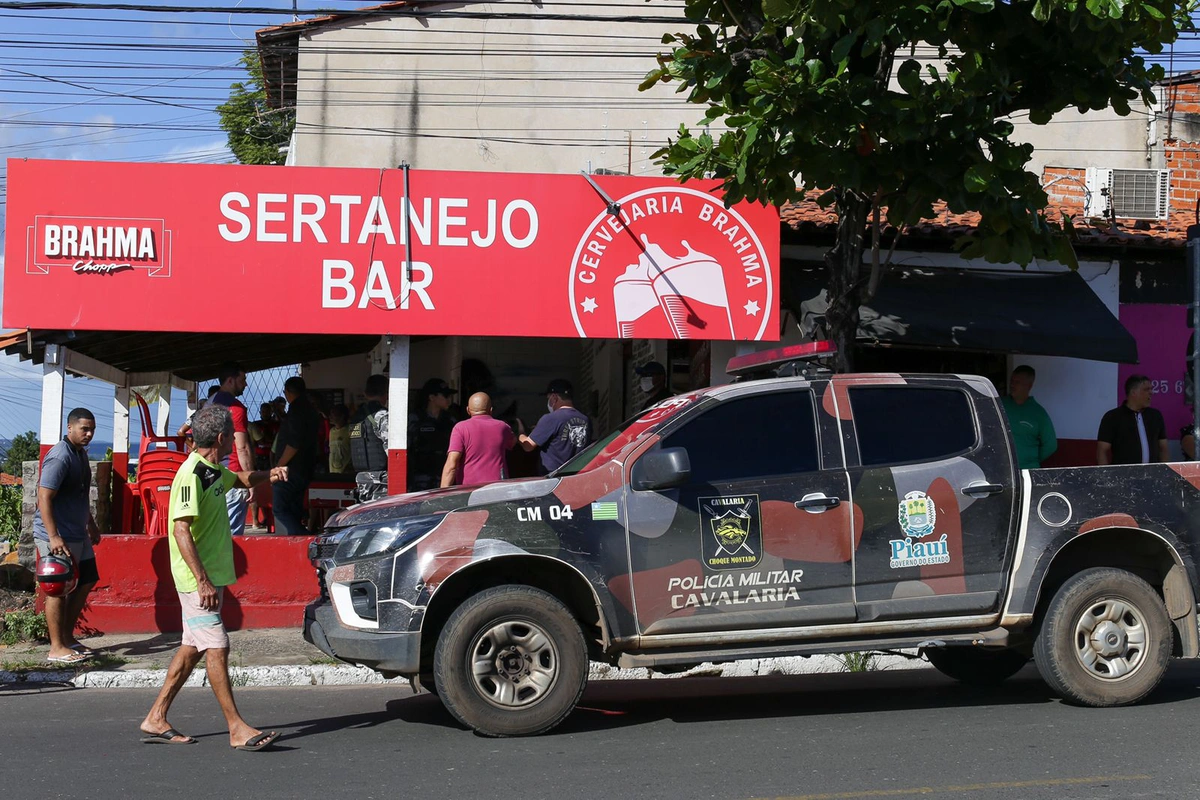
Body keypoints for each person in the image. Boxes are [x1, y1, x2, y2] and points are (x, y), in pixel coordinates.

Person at [139, 404, 286, 749]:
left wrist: (271, 474)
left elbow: (242, 479)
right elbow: (180, 531)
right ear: (221, 438)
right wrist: (202, 580)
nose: (234, 443)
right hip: (195, 580)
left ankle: (155, 717)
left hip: (207, 577)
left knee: (192, 649)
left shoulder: (211, 470)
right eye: (232, 438)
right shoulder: (191, 474)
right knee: (217, 646)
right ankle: (236, 728)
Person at [34, 408, 101, 664]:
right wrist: (53, 536)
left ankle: (67, 637)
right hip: (57, 534)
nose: (89, 434)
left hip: (78, 532)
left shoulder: (80, 454)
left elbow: (81, 494)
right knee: (57, 588)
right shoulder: (60, 457)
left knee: (87, 579)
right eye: (84, 429)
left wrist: (91, 524)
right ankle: (56, 647)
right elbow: (44, 497)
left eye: (92, 429)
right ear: (70, 427)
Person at [210, 362, 254, 536]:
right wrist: (250, 481)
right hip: (234, 475)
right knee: (232, 537)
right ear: (230, 380)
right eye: (242, 379)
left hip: (212, 474)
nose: (245, 384)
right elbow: (242, 447)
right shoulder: (236, 409)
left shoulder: (209, 404)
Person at [273, 376, 321, 535]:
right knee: (293, 510)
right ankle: (295, 543)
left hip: (291, 470)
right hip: (305, 467)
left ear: (287, 392)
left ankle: (304, 538)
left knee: (280, 509)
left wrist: (279, 464)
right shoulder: (311, 411)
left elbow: (294, 443)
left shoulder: (296, 411)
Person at [441, 392, 518, 488]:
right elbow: (512, 442)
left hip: (469, 490)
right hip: (498, 488)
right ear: (491, 410)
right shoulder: (503, 427)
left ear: (468, 410)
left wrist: (442, 494)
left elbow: (452, 464)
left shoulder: (460, 428)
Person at [519, 379, 592, 474]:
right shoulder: (585, 420)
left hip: (554, 479)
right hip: (577, 476)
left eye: (548, 398)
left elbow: (528, 446)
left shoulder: (551, 418)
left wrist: (520, 433)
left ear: (554, 397)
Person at [1097, 375, 1169, 465]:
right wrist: (1105, 476)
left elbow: (1163, 447)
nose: (1151, 392)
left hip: (1152, 475)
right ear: (1133, 392)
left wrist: (1164, 472)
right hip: (1123, 475)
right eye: (1146, 389)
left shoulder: (1155, 416)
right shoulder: (1113, 417)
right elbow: (1102, 450)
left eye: (1151, 389)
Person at [1001, 365, 1057, 470]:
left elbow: (1051, 445)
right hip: (1002, 468)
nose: (1012, 385)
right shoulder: (1000, 405)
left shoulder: (1038, 413)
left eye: (1017, 382)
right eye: (1012, 381)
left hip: (1028, 470)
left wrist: (1031, 459)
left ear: (1029, 386)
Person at [408, 377, 457, 491]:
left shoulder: (450, 420)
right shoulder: (415, 419)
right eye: (445, 396)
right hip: (420, 476)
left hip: (443, 474)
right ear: (432, 397)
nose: (449, 399)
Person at [349, 373, 390, 476]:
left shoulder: (357, 416)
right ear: (386, 394)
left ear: (365, 394)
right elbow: (392, 450)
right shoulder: (382, 415)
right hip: (381, 480)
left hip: (361, 479)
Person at [328, 403, 351, 474]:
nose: (330, 417)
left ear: (342, 416)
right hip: (333, 471)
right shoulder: (331, 431)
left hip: (346, 471)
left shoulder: (350, 429)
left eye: (333, 414)